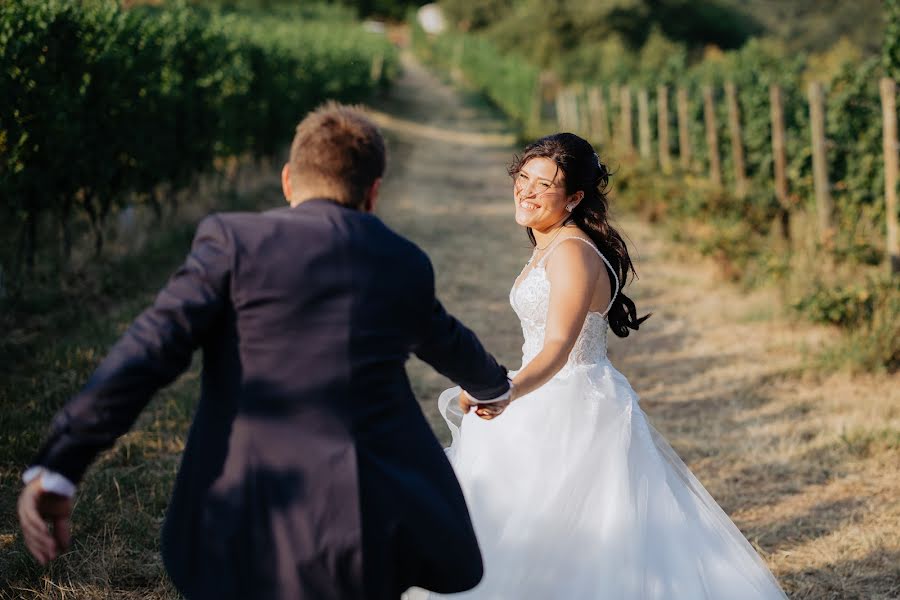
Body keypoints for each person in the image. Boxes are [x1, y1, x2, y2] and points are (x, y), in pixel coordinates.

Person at [17, 102, 514, 600]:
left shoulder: (233, 241)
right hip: (367, 519)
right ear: (374, 193)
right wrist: (494, 385)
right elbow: (448, 339)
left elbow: (149, 349)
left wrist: (62, 467)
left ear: (287, 180)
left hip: (242, 508)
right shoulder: (403, 260)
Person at [408, 133, 788, 599]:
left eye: (543, 185)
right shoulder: (554, 243)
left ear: (574, 198)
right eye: (523, 177)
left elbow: (557, 350)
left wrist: (505, 390)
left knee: (566, 534)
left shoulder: (570, 253)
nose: (525, 191)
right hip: (544, 391)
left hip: (569, 404)